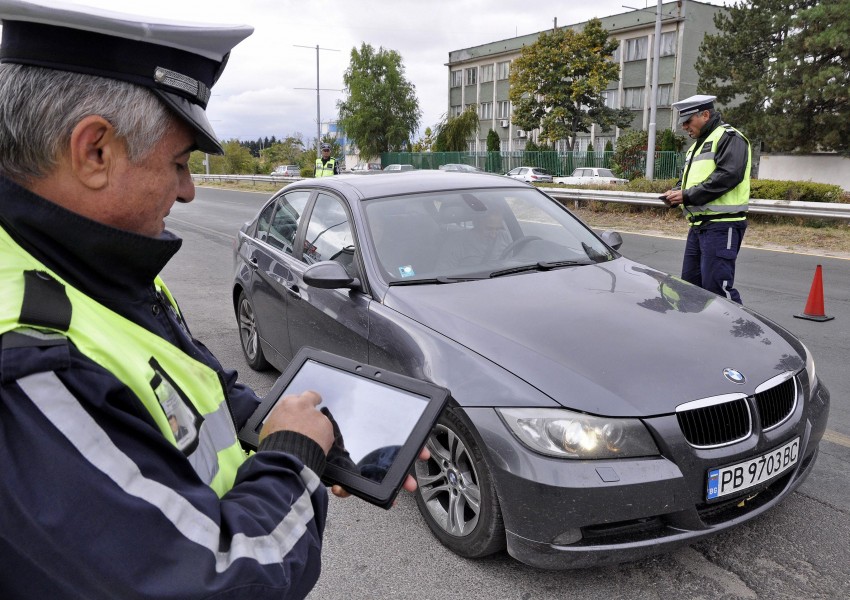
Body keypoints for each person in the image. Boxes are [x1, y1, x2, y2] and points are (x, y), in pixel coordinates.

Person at [0, 2, 420, 598]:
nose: (189, 190)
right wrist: (295, 455)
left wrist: (305, 426)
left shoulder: (81, 265)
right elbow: (214, 580)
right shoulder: (27, 366)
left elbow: (190, 390)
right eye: (177, 163)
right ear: (94, 151)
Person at [661, 94, 751, 304]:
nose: (684, 127)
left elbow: (729, 175)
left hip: (722, 225)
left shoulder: (730, 137)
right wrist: (676, 193)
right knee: (690, 287)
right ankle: (697, 334)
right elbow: (688, 181)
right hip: (699, 226)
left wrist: (687, 195)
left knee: (717, 287)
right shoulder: (696, 146)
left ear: (705, 115)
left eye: (687, 121)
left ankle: (736, 333)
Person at [436, 208, 513, 269]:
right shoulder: (457, 242)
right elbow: (444, 272)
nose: (494, 235)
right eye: (488, 229)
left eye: (498, 229)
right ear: (477, 224)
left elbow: (511, 263)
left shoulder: (504, 236)